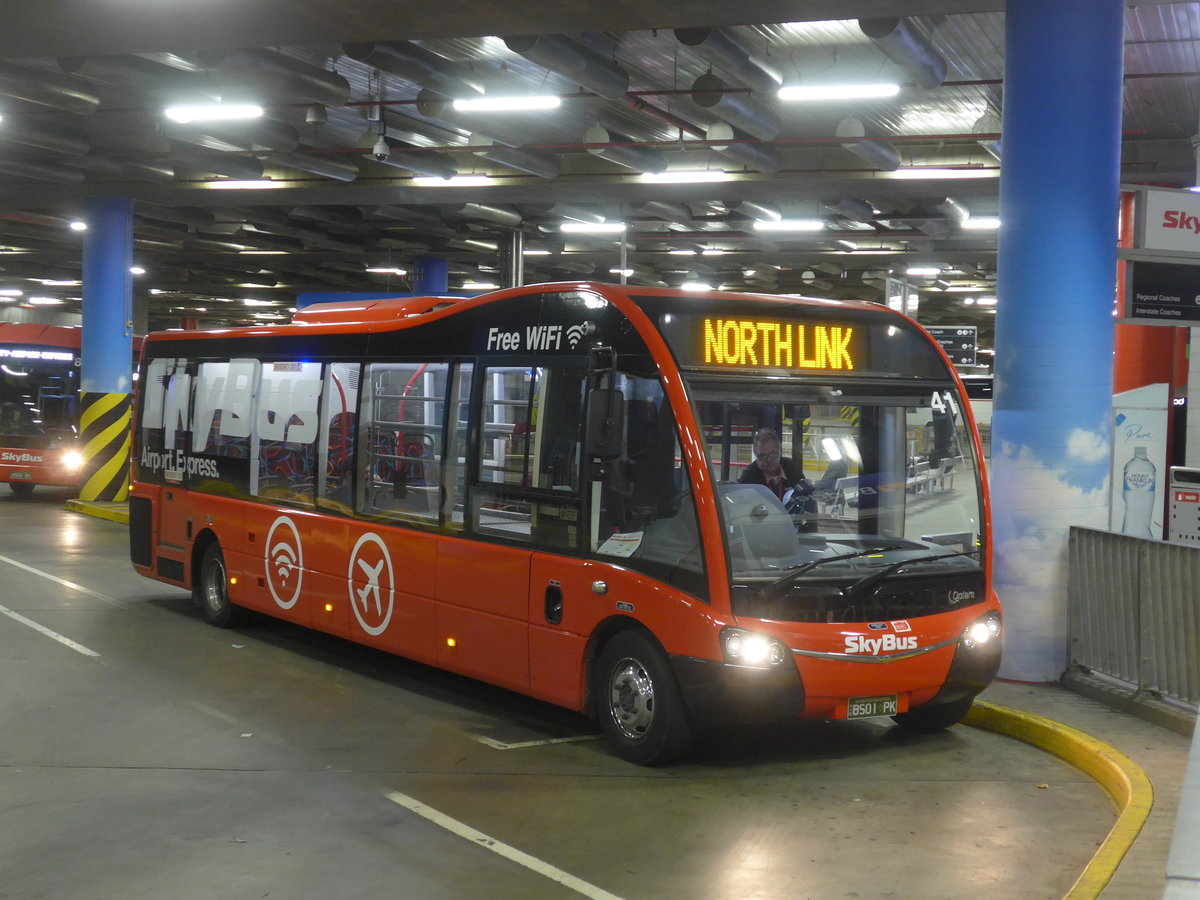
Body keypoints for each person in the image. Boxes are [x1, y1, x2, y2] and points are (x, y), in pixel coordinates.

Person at [738, 428, 810, 502]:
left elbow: (807, 496)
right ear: (756, 455)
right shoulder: (749, 478)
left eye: (773, 454)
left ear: (780, 451)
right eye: (763, 455)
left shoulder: (791, 468)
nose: (768, 460)